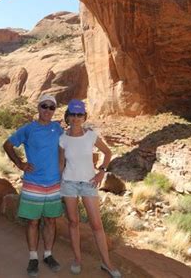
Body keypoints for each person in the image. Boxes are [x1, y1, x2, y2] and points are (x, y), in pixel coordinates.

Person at [59, 99, 121, 277]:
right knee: (73, 222)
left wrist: (102, 171)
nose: (76, 118)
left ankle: (107, 263)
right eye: (73, 114)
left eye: (80, 114)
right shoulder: (62, 139)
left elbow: (108, 153)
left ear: (84, 117)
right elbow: (61, 163)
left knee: (96, 224)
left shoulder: (91, 136)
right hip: (69, 183)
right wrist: (56, 183)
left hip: (89, 183)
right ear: (68, 116)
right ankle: (77, 259)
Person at [3, 94, 64, 277]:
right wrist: (20, 164)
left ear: (54, 111)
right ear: (38, 107)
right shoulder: (29, 129)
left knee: (51, 220)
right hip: (33, 182)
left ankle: (48, 255)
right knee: (33, 222)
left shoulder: (58, 129)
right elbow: (7, 145)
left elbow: (66, 149)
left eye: (51, 107)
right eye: (44, 106)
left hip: (54, 183)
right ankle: (33, 258)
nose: (47, 110)